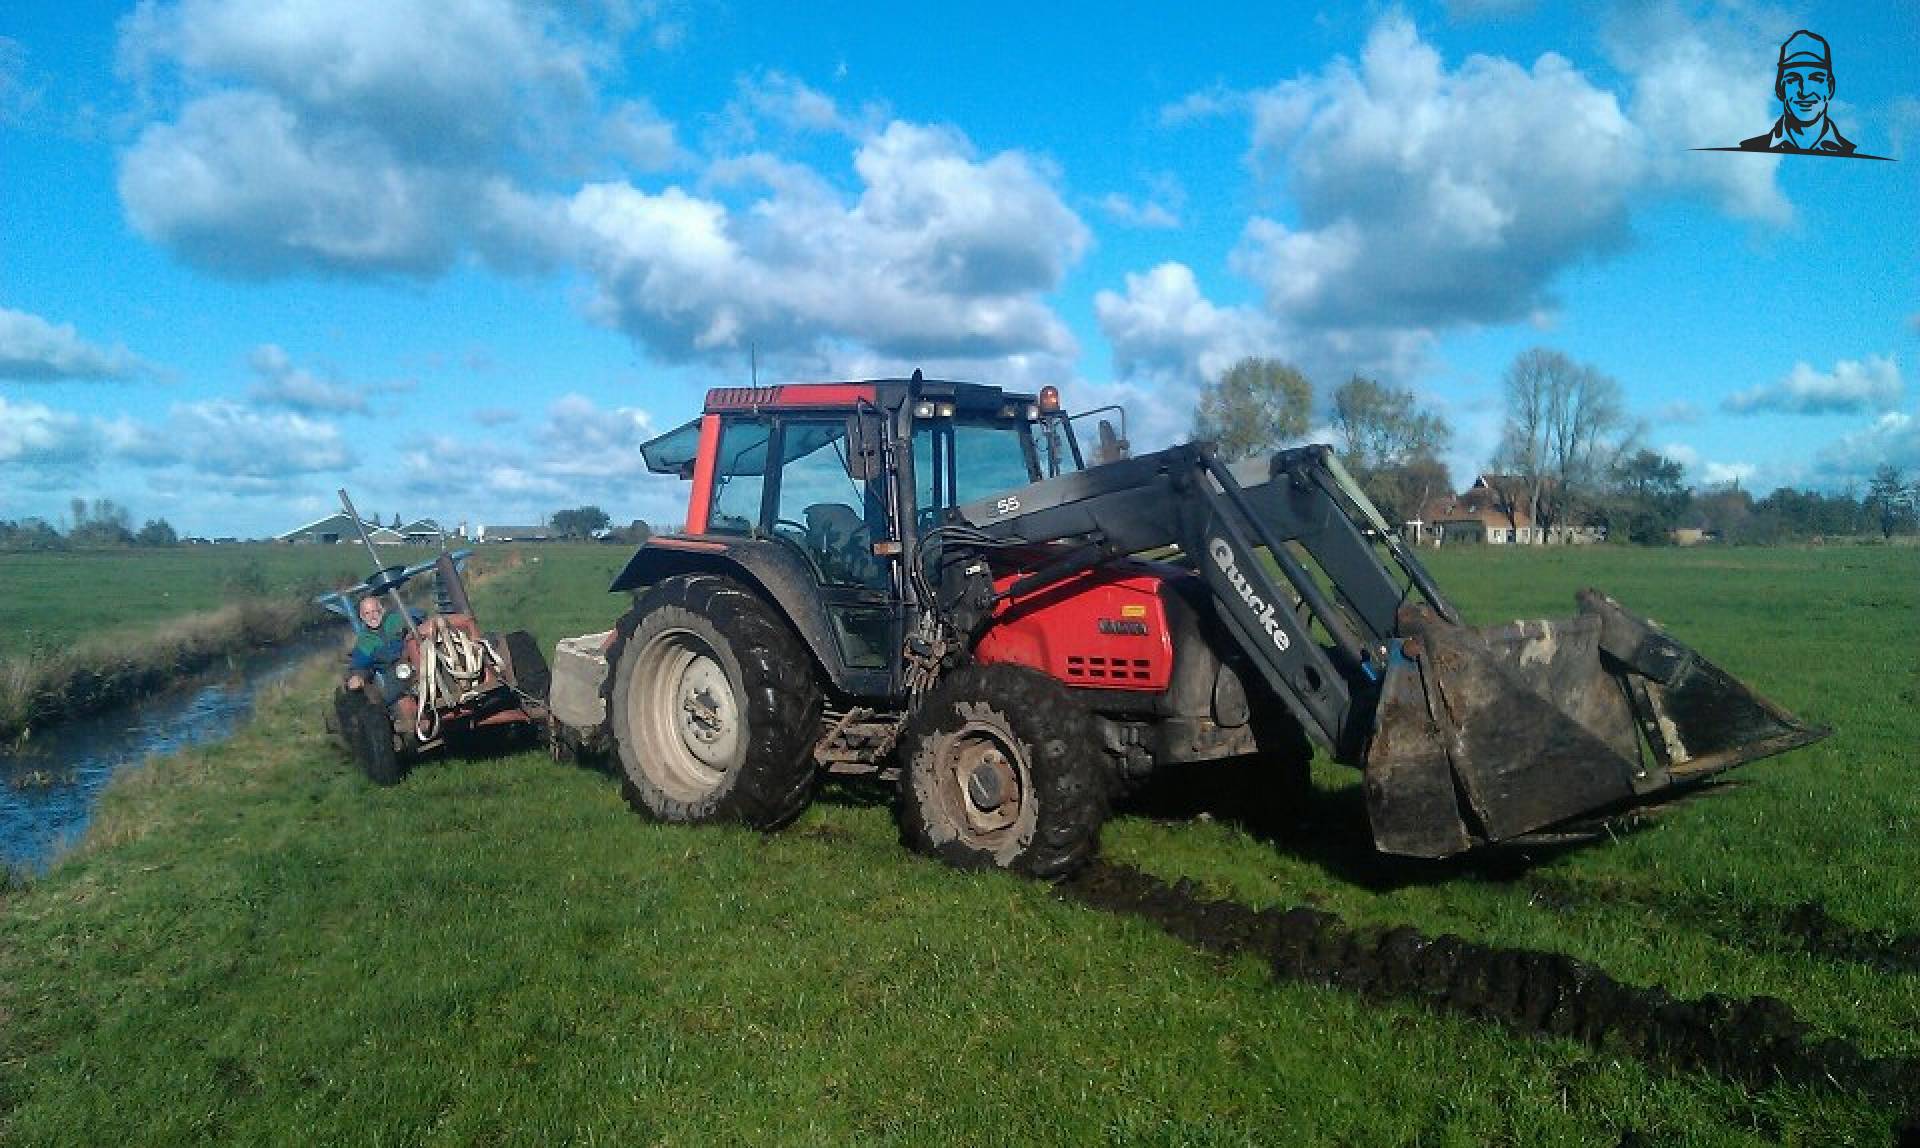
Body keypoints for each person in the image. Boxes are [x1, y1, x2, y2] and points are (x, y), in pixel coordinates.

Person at [1739, 30, 1855, 156]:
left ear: (1830, 88)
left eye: (1816, 79)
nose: (1805, 92)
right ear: (1779, 88)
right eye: (1793, 79)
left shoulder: (1852, 154)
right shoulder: (1747, 152)